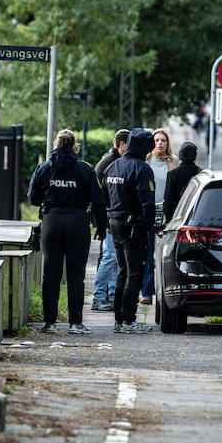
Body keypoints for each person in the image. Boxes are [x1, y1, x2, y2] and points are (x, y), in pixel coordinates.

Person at [27, 129, 107, 334]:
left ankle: (50, 323)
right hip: (77, 223)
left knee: (50, 274)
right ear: (74, 147)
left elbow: (33, 198)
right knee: (75, 275)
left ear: (56, 145)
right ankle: (75, 323)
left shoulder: (44, 168)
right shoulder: (85, 170)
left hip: (51, 222)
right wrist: (101, 227)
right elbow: (98, 200)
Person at [102, 127, 155, 333]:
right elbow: (148, 203)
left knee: (122, 271)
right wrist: (147, 226)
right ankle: (129, 319)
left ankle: (118, 318)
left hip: (114, 223)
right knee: (135, 273)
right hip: (134, 226)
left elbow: (104, 195)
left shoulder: (113, 166)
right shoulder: (141, 168)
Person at [90, 129, 129, 312]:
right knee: (110, 256)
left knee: (114, 257)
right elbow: (97, 189)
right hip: (108, 214)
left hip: (109, 214)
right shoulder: (109, 162)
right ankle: (98, 297)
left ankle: (112, 296)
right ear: (122, 145)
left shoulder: (112, 160)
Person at [141, 128, 177, 305]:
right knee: (147, 253)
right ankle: (146, 292)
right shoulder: (145, 161)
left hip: (167, 214)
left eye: (163, 140)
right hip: (148, 212)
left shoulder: (173, 162)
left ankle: (166, 292)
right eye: (157, 140)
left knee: (166, 254)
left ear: (167, 143)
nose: (160, 143)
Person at [164, 142, 201, 221]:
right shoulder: (201, 173)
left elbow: (169, 201)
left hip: (176, 217)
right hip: (195, 217)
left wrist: (168, 219)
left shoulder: (172, 174)